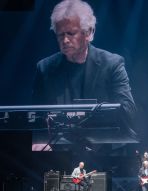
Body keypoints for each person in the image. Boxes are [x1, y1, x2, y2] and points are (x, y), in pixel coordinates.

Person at [32, 0, 136, 137]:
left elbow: (128, 111)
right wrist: (40, 140)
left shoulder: (112, 64)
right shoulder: (44, 68)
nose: (65, 40)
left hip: (105, 146)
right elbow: (36, 116)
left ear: (89, 33)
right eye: (60, 34)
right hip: (60, 147)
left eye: (71, 33)